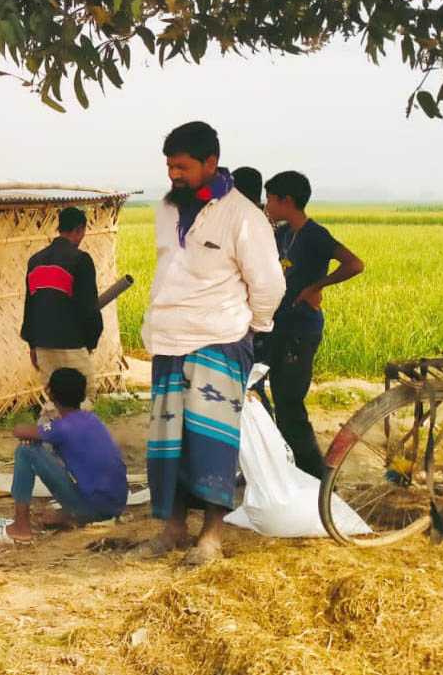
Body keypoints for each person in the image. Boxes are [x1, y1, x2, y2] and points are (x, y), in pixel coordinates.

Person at [137, 121, 284, 565]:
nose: (173, 175)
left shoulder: (244, 216)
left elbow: (270, 284)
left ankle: (211, 539)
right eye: (168, 166)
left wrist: (251, 328)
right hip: (168, 340)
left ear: (210, 163)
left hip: (221, 339)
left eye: (181, 166)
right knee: (170, 442)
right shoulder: (166, 210)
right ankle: (172, 530)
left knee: (213, 442)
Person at [263, 171, 364, 477]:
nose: (267, 205)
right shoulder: (280, 234)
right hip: (277, 325)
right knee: (269, 396)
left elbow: (354, 264)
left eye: (270, 199)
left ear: (287, 201)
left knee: (290, 403)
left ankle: (316, 475)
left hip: (301, 328)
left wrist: (316, 286)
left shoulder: (315, 235)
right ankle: (286, 464)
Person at [0, 368, 128, 542]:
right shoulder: (93, 420)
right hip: (116, 506)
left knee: (25, 450)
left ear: (51, 395)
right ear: (82, 396)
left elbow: (20, 431)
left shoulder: (62, 428)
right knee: (35, 445)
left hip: (92, 508)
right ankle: (72, 517)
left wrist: (30, 438)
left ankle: (21, 527)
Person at [21, 206, 103, 417]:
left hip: (43, 344)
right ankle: (70, 441)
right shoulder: (80, 260)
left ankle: (48, 436)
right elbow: (89, 308)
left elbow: (30, 305)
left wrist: (32, 344)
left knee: (55, 399)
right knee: (86, 396)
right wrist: (91, 341)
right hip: (73, 344)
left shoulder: (35, 261)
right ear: (79, 229)